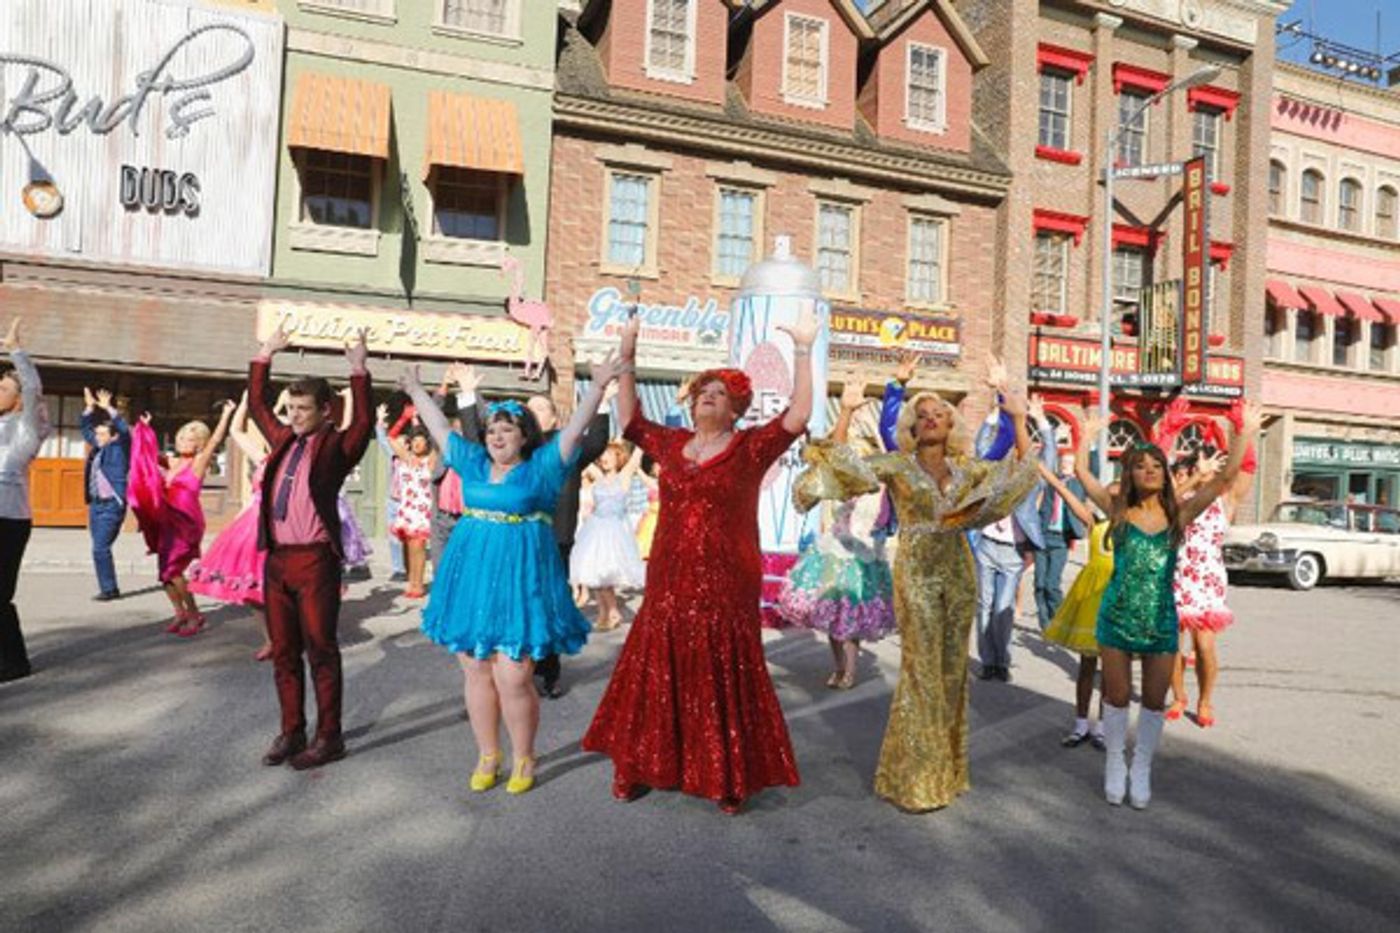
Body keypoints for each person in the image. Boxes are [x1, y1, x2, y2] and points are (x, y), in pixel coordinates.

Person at [583, 308, 816, 814]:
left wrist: (802, 347)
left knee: (723, 675)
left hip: (728, 582)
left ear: (736, 409)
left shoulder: (752, 448)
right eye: (701, 392)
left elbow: (798, 414)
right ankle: (638, 763)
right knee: (657, 669)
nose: (707, 397)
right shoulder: (669, 444)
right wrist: (628, 353)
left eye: (719, 394)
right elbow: (629, 419)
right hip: (670, 580)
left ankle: (727, 774)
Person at [793, 354, 1040, 813]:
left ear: (952, 425)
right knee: (921, 670)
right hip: (917, 571)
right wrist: (846, 411)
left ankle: (945, 772)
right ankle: (915, 779)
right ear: (911, 425)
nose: (930, 419)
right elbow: (843, 468)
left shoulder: (970, 468)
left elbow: (1021, 475)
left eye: (939, 414)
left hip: (960, 570)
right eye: (921, 414)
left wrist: (1018, 415)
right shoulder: (897, 465)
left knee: (950, 673)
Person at [401, 355, 621, 797]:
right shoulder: (473, 462)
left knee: (514, 676)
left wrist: (596, 390)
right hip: (472, 580)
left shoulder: (544, 466)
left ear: (525, 436)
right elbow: (441, 429)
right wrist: (415, 391)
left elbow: (577, 429)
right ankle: (488, 754)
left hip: (522, 583)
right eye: (492, 430)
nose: (498, 436)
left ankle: (523, 755)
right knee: (476, 671)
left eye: (507, 429)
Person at [1074, 403, 1261, 809]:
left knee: (1156, 701)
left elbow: (1227, 478)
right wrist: (1086, 437)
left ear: (1164, 471)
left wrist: (1243, 433)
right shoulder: (1118, 511)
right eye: (1140, 466)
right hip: (1117, 617)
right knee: (1118, 697)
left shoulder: (1181, 514)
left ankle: (1141, 768)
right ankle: (1114, 764)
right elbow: (1083, 476)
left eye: (1155, 464)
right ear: (1131, 474)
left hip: (1160, 619)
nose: (1149, 470)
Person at [249, 326, 373, 771]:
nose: (296, 416)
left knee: (320, 649)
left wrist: (358, 368)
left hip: (315, 560)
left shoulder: (338, 447)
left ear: (324, 411)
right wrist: (265, 355)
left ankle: (329, 736)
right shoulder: (283, 440)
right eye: (293, 408)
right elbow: (258, 406)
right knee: (283, 652)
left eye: (305, 409)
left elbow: (363, 423)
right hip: (278, 560)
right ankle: (292, 730)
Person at [778, 375, 894, 690]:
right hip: (836, 552)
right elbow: (837, 452)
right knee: (830, 615)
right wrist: (845, 412)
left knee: (851, 618)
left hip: (865, 556)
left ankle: (851, 670)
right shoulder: (849, 479)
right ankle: (840, 667)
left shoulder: (882, 479)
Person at [524, 388, 611, 699]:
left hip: (555, 541)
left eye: (539, 409)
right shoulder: (516, 447)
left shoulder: (567, 446)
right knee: (516, 606)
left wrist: (601, 403)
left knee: (549, 607)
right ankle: (512, 672)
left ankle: (548, 672)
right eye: (528, 409)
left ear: (553, 418)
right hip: (517, 541)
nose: (532, 414)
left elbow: (598, 441)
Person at [973, 385, 1058, 683]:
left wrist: (1041, 420)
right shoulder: (993, 472)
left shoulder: (1030, 480)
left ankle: (1002, 661)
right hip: (986, 544)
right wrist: (996, 410)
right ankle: (988, 662)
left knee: (1003, 607)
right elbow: (981, 446)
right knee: (984, 604)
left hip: (1012, 550)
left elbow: (1050, 461)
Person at [129, 400, 236, 637]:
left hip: (186, 523)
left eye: (189, 438)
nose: (182, 441)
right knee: (164, 573)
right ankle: (180, 613)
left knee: (174, 570)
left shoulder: (199, 462)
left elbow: (217, 440)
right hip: (166, 521)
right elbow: (144, 455)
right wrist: (142, 428)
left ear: (199, 443)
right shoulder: (172, 461)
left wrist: (226, 414)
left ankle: (195, 614)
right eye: (181, 437)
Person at [1168, 443, 1251, 728]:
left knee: (1204, 646)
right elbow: (1165, 502)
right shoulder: (1183, 498)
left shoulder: (1226, 499)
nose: (1209, 468)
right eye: (1203, 463)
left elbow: (1240, 473)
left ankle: (1205, 700)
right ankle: (1179, 697)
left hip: (1207, 579)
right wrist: (1194, 478)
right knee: (1170, 646)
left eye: (1215, 463)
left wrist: (1244, 434)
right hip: (1177, 575)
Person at [188, 392, 274, 659]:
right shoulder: (263, 458)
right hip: (252, 526)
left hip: (283, 528)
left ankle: (290, 637)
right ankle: (271, 639)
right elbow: (236, 431)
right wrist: (247, 400)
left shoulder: (303, 459)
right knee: (251, 591)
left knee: (280, 590)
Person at [1038, 444, 1114, 750]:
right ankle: (1081, 723)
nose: (1112, 498)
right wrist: (1046, 472)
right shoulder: (1095, 522)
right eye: (1109, 492)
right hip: (1090, 598)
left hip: (1114, 597)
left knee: (1111, 669)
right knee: (1086, 665)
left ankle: (1105, 727)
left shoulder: (1135, 526)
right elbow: (1067, 493)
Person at [0, 319, 45, 683]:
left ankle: (15, 663)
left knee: (0, 594)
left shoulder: (25, 430)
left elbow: (32, 389)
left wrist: (16, 350)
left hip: (9, 520)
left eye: (3, 387)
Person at [571, 441, 647, 631]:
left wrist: (641, 435)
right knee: (594, 574)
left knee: (605, 575)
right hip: (595, 528)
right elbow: (582, 457)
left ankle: (612, 612)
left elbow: (637, 455)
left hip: (614, 531)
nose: (604, 458)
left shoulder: (625, 475)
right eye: (602, 455)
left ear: (617, 457)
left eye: (609, 455)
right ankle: (604, 613)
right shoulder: (597, 476)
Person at [80, 387, 131, 602]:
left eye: (102, 434)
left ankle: (109, 589)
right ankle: (109, 587)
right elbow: (85, 430)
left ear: (113, 437)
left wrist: (108, 408)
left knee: (100, 547)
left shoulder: (118, 448)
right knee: (99, 548)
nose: (97, 437)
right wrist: (89, 409)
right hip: (96, 505)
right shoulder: (98, 448)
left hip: (112, 504)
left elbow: (124, 430)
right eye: (97, 434)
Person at [1034, 447, 1088, 633]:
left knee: (1051, 584)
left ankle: (1062, 621)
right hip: (1043, 535)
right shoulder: (1051, 481)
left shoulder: (1078, 485)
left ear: (1075, 467)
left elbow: (1092, 468)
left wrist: (1091, 444)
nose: (1065, 466)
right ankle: (1045, 624)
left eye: (1069, 464)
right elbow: (1042, 463)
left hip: (1061, 539)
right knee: (1039, 584)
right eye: (1063, 463)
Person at [389, 426, 437, 599]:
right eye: (414, 440)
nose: (417, 443)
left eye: (420, 440)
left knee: (419, 547)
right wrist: (404, 418)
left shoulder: (431, 460)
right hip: (406, 509)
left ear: (427, 443)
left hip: (421, 509)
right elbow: (391, 438)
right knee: (409, 547)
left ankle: (419, 585)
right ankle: (412, 582)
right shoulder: (406, 458)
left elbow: (440, 442)